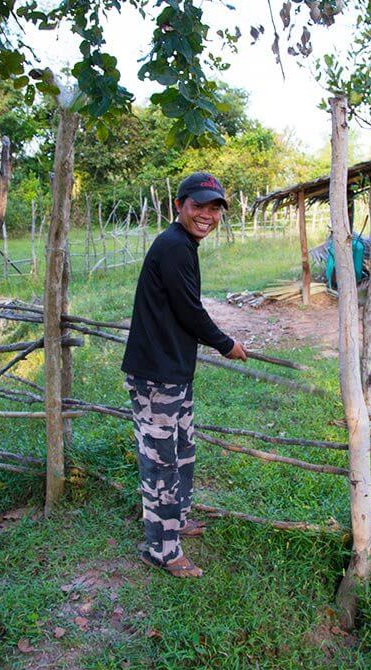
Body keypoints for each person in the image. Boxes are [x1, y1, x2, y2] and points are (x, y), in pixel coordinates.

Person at [121, 172, 248, 578]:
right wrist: (225, 342)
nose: (207, 215)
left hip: (174, 371)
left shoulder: (183, 245)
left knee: (182, 452)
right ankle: (161, 550)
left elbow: (182, 309)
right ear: (180, 205)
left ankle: (176, 521)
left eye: (214, 208)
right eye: (199, 205)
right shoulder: (174, 247)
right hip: (156, 376)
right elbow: (190, 310)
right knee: (160, 463)